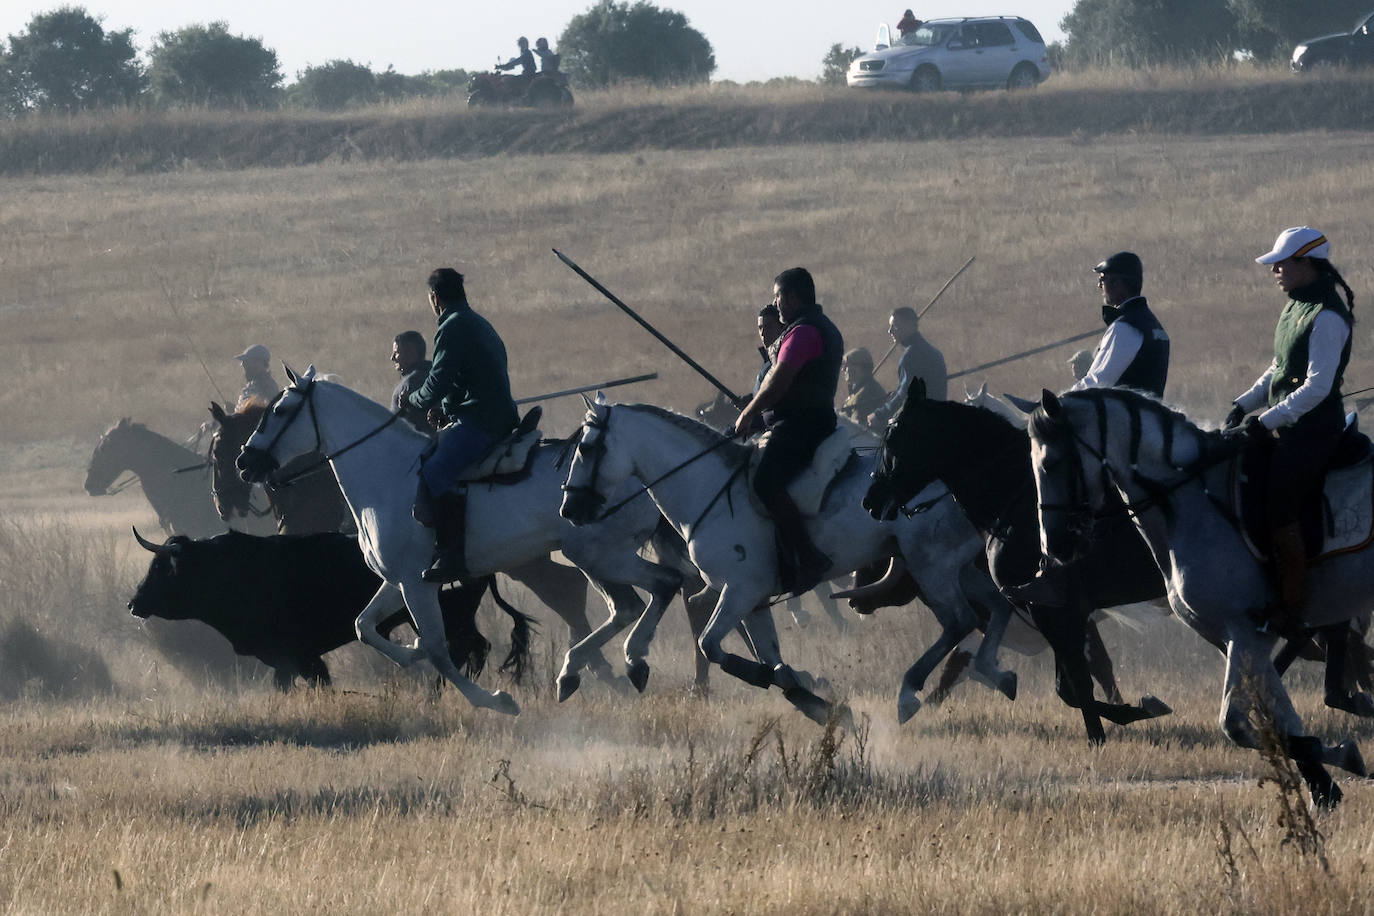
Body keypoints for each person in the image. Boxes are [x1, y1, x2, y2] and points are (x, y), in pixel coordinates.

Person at [1223, 227, 1356, 636]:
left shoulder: (1329, 316)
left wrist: (1265, 421)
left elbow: (1316, 388)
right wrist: (1243, 404)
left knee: (1279, 505)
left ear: (1307, 263)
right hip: (1287, 426)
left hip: (1314, 432)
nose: (1275, 270)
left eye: (1282, 263)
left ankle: (1293, 607)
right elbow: (1279, 370)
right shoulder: (1295, 306)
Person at [734, 268, 844, 593]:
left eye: (777, 296)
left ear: (793, 297)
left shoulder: (805, 332)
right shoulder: (803, 329)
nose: (775, 303)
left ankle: (808, 558)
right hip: (797, 423)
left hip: (802, 427)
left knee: (764, 482)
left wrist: (748, 413)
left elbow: (778, 383)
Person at [408, 268, 519, 584]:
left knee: (434, 471)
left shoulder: (452, 327)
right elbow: (462, 380)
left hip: (481, 422)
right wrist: (446, 411)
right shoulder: (477, 323)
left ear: (434, 298)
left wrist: (413, 399)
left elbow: (438, 381)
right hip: (490, 414)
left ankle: (452, 555)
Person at [1069, 251, 1170, 397]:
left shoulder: (1125, 327)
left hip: (1122, 417)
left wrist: (1059, 402)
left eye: (1102, 279)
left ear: (1118, 284)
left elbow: (1098, 382)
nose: (1099, 286)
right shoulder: (1154, 326)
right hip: (1149, 416)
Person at [869, 307, 946, 427]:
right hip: (938, 421)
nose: (889, 331)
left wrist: (880, 414)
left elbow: (904, 395)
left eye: (894, 326)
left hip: (918, 426)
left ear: (909, 326)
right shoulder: (935, 353)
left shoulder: (910, 356)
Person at [390, 330, 433, 434]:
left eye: (396, 353)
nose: (392, 358)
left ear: (410, 353)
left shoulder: (412, 381)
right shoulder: (430, 377)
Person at [839, 347, 887, 430]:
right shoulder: (860, 391)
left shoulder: (865, 394)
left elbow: (855, 430)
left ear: (859, 367)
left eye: (847, 365)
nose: (843, 369)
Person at [234, 344, 280, 411]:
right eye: (244, 364)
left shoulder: (268, 386)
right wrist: (234, 410)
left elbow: (267, 413)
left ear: (259, 363)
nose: (244, 366)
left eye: (247, 363)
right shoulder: (251, 384)